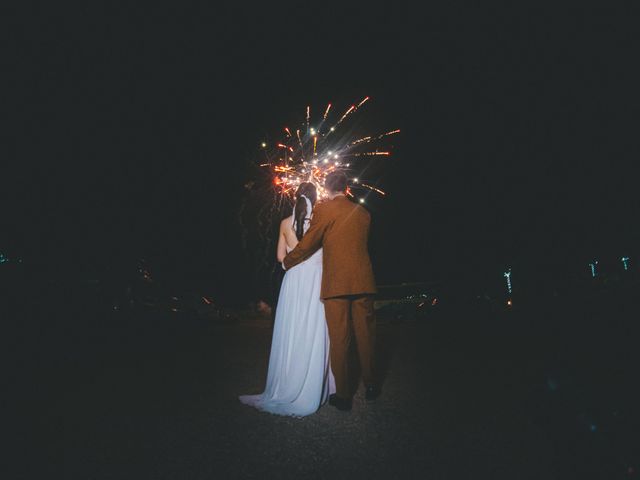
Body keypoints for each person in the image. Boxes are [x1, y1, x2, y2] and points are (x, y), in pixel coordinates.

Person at [283, 171, 380, 411]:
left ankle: (344, 395)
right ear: (347, 187)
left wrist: (289, 261)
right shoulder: (364, 213)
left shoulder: (325, 209)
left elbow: (309, 243)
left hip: (337, 283)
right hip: (363, 281)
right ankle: (371, 386)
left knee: (340, 339)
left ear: (326, 188)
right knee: (366, 335)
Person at [239, 183, 335, 416]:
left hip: (293, 282)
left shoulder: (284, 223)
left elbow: (280, 257)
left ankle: (286, 382)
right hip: (315, 281)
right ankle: (312, 385)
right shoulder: (319, 223)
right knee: (312, 330)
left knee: (292, 330)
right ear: (316, 198)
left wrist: (295, 265)